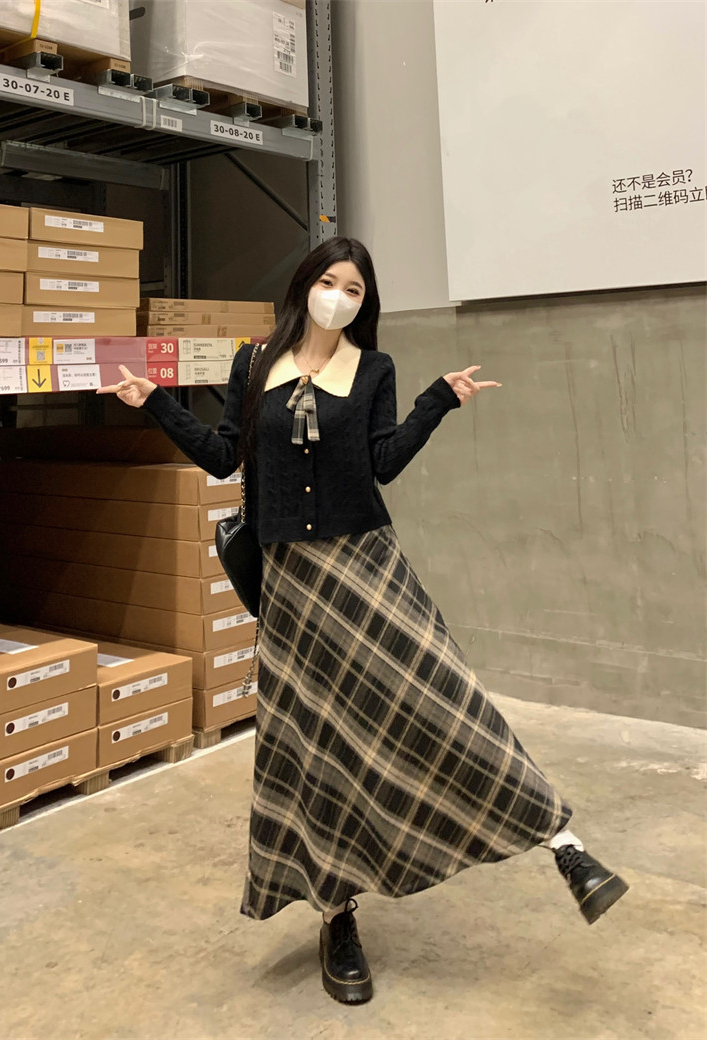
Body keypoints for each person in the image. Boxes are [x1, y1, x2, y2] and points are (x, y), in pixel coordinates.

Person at [98, 238, 628, 1006]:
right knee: (315, 747)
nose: (338, 297)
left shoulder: (373, 370)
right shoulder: (253, 365)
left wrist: (437, 401)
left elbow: (384, 462)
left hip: (369, 569)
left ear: (364, 302)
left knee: (444, 700)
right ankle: (336, 915)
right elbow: (221, 456)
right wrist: (157, 403)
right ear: (303, 285)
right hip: (293, 585)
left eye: (353, 289)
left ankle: (564, 843)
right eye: (329, 281)